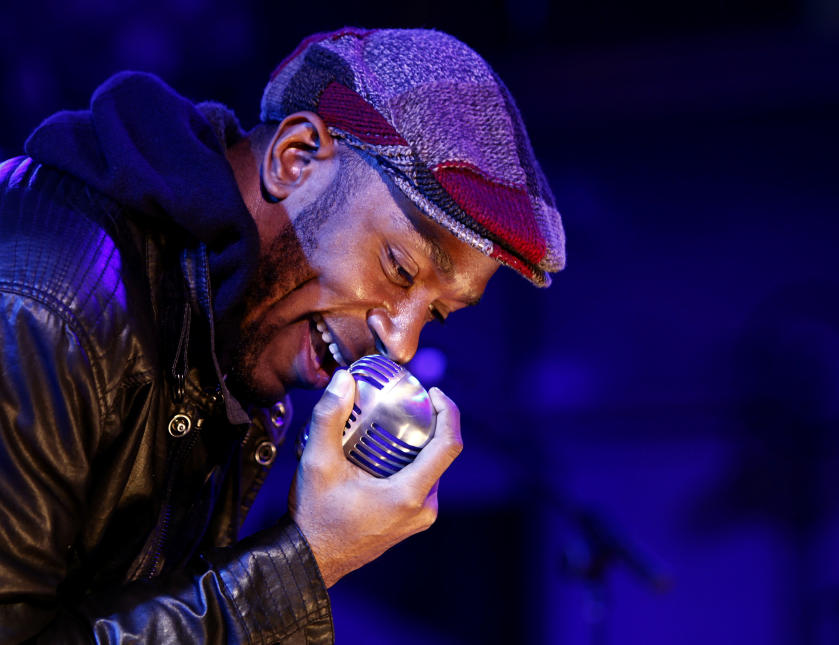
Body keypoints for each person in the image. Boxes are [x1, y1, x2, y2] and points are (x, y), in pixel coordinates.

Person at [0, 27, 564, 642]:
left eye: (437, 314)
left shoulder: (222, 349)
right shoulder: (48, 300)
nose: (400, 344)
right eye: (399, 270)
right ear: (295, 159)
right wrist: (305, 563)